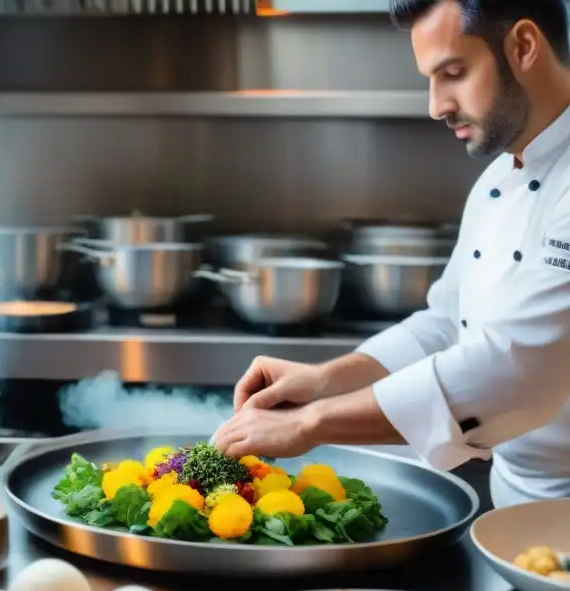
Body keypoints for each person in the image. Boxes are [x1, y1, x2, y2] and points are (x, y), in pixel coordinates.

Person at [212, 0, 570, 509]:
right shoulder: (498, 179)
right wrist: (322, 382)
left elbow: (517, 369)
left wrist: (311, 423)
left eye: (453, 72)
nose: (436, 105)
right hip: (518, 510)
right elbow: (448, 324)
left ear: (524, 46)